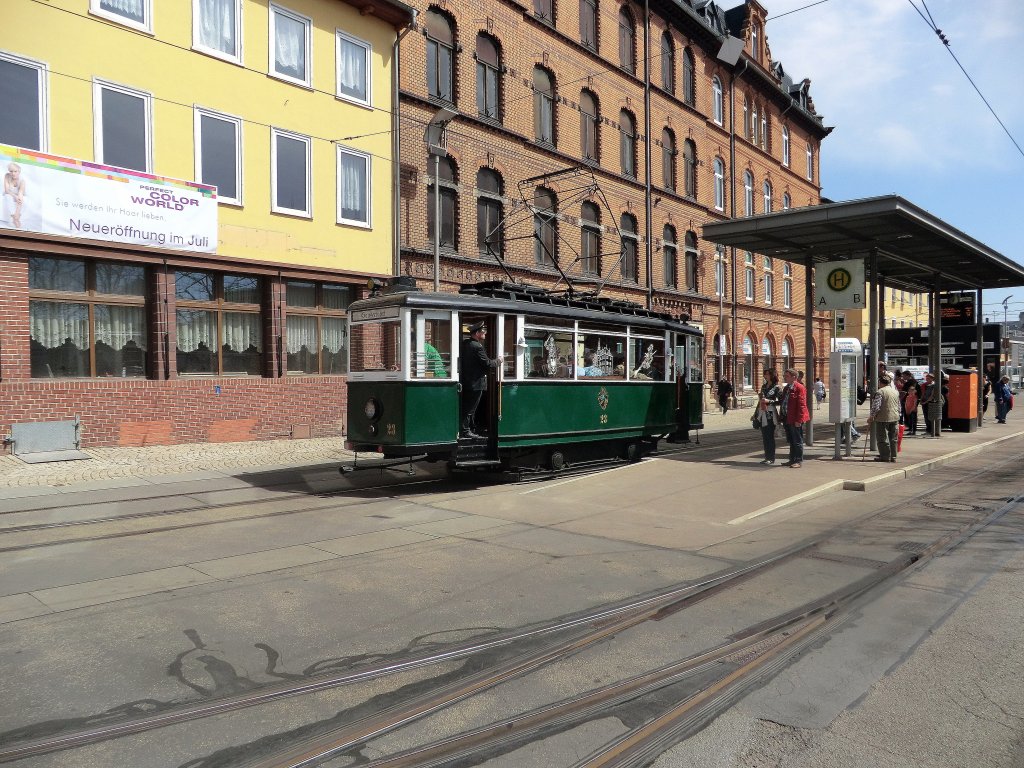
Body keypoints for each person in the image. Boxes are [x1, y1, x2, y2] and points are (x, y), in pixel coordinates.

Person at [459, 321, 502, 438]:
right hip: (476, 383)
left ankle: (470, 428)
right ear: (477, 333)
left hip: (468, 382)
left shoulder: (466, 343)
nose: (485, 334)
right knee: (470, 408)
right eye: (483, 332)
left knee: (469, 406)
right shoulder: (477, 346)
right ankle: (466, 431)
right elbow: (487, 363)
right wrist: (499, 360)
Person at [868, 372, 901, 462]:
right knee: (893, 438)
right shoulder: (895, 392)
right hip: (895, 417)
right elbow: (899, 405)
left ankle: (885, 456)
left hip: (883, 418)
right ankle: (893, 456)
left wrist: (871, 417)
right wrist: (899, 414)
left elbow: (876, 406)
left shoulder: (880, 392)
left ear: (880, 383)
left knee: (882, 438)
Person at [781, 368, 809, 468]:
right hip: (787, 417)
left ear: (794, 377)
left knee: (797, 440)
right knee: (791, 440)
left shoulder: (799, 388)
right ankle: (792, 459)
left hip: (795, 419)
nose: (785, 377)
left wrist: (799, 420)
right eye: (784, 376)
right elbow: (783, 401)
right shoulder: (787, 387)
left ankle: (798, 460)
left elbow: (802, 405)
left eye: (787, 376)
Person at [755, 368, 782, 464]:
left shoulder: (777, 387)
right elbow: (760, 401)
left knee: (770, 436)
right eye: (764, 374)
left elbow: (781, 401)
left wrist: (770, 401)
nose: (765, 376)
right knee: (765, 436)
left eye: (767, 374)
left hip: (770, 414)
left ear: (772, 375)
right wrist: (755, 414)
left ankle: (771, 457)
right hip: (762, 413)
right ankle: (767, 457)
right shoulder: (764, 386)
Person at [3, 162, 26, 228]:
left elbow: (20, 194)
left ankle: (16, 217)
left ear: (19, 171)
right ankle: (13, 217)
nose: (13, 173)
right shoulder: (7, 176)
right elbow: (7, 190)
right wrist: (14, 196)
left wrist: (17, 213)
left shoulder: (22, 181)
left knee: (20, 198)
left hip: (19, 194)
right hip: (10, 194)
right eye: (11, 171)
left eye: (15, 171)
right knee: (8, 197)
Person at [920, 372, 943, 436]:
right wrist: (921, 400)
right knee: (926, 416)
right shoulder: (924, 385)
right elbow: (923, 393)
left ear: (932, 379)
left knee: (931, 417)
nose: (927, 379)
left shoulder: (934, 386)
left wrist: (926, 401)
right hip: (924, 402)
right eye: (926, 377)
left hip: (931, 403)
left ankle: (932, 430)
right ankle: (928, 430)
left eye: (929, 378)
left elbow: (932, 395)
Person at [902, 371, 921, 435]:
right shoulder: (912, 382)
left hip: (912, 405)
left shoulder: (911, 382)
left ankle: (913, 429)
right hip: (908, 404)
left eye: (904, 375)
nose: (903, 377)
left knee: (913, 418)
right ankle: (910, 428)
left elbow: (915, 402)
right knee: (909, 417)